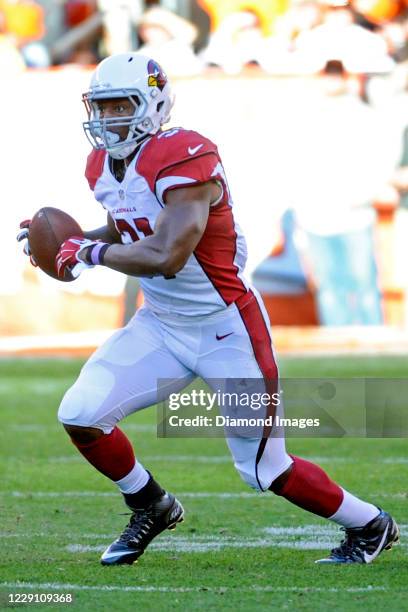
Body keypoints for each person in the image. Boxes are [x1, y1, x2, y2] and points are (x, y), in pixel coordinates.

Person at [18, 52, 399, 566]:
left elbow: (168, 253)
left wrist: (90, 254)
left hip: (226, 329)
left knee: (264, 468)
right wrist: (71, 242)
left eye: (120, 107)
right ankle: (151, 504)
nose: (108, 120)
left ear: (153, 105)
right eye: (102, 108)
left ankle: (370, 524)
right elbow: (130, 226)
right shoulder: (100, 166)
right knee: (81, 413)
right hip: (159, 325)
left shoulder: (185, 155)